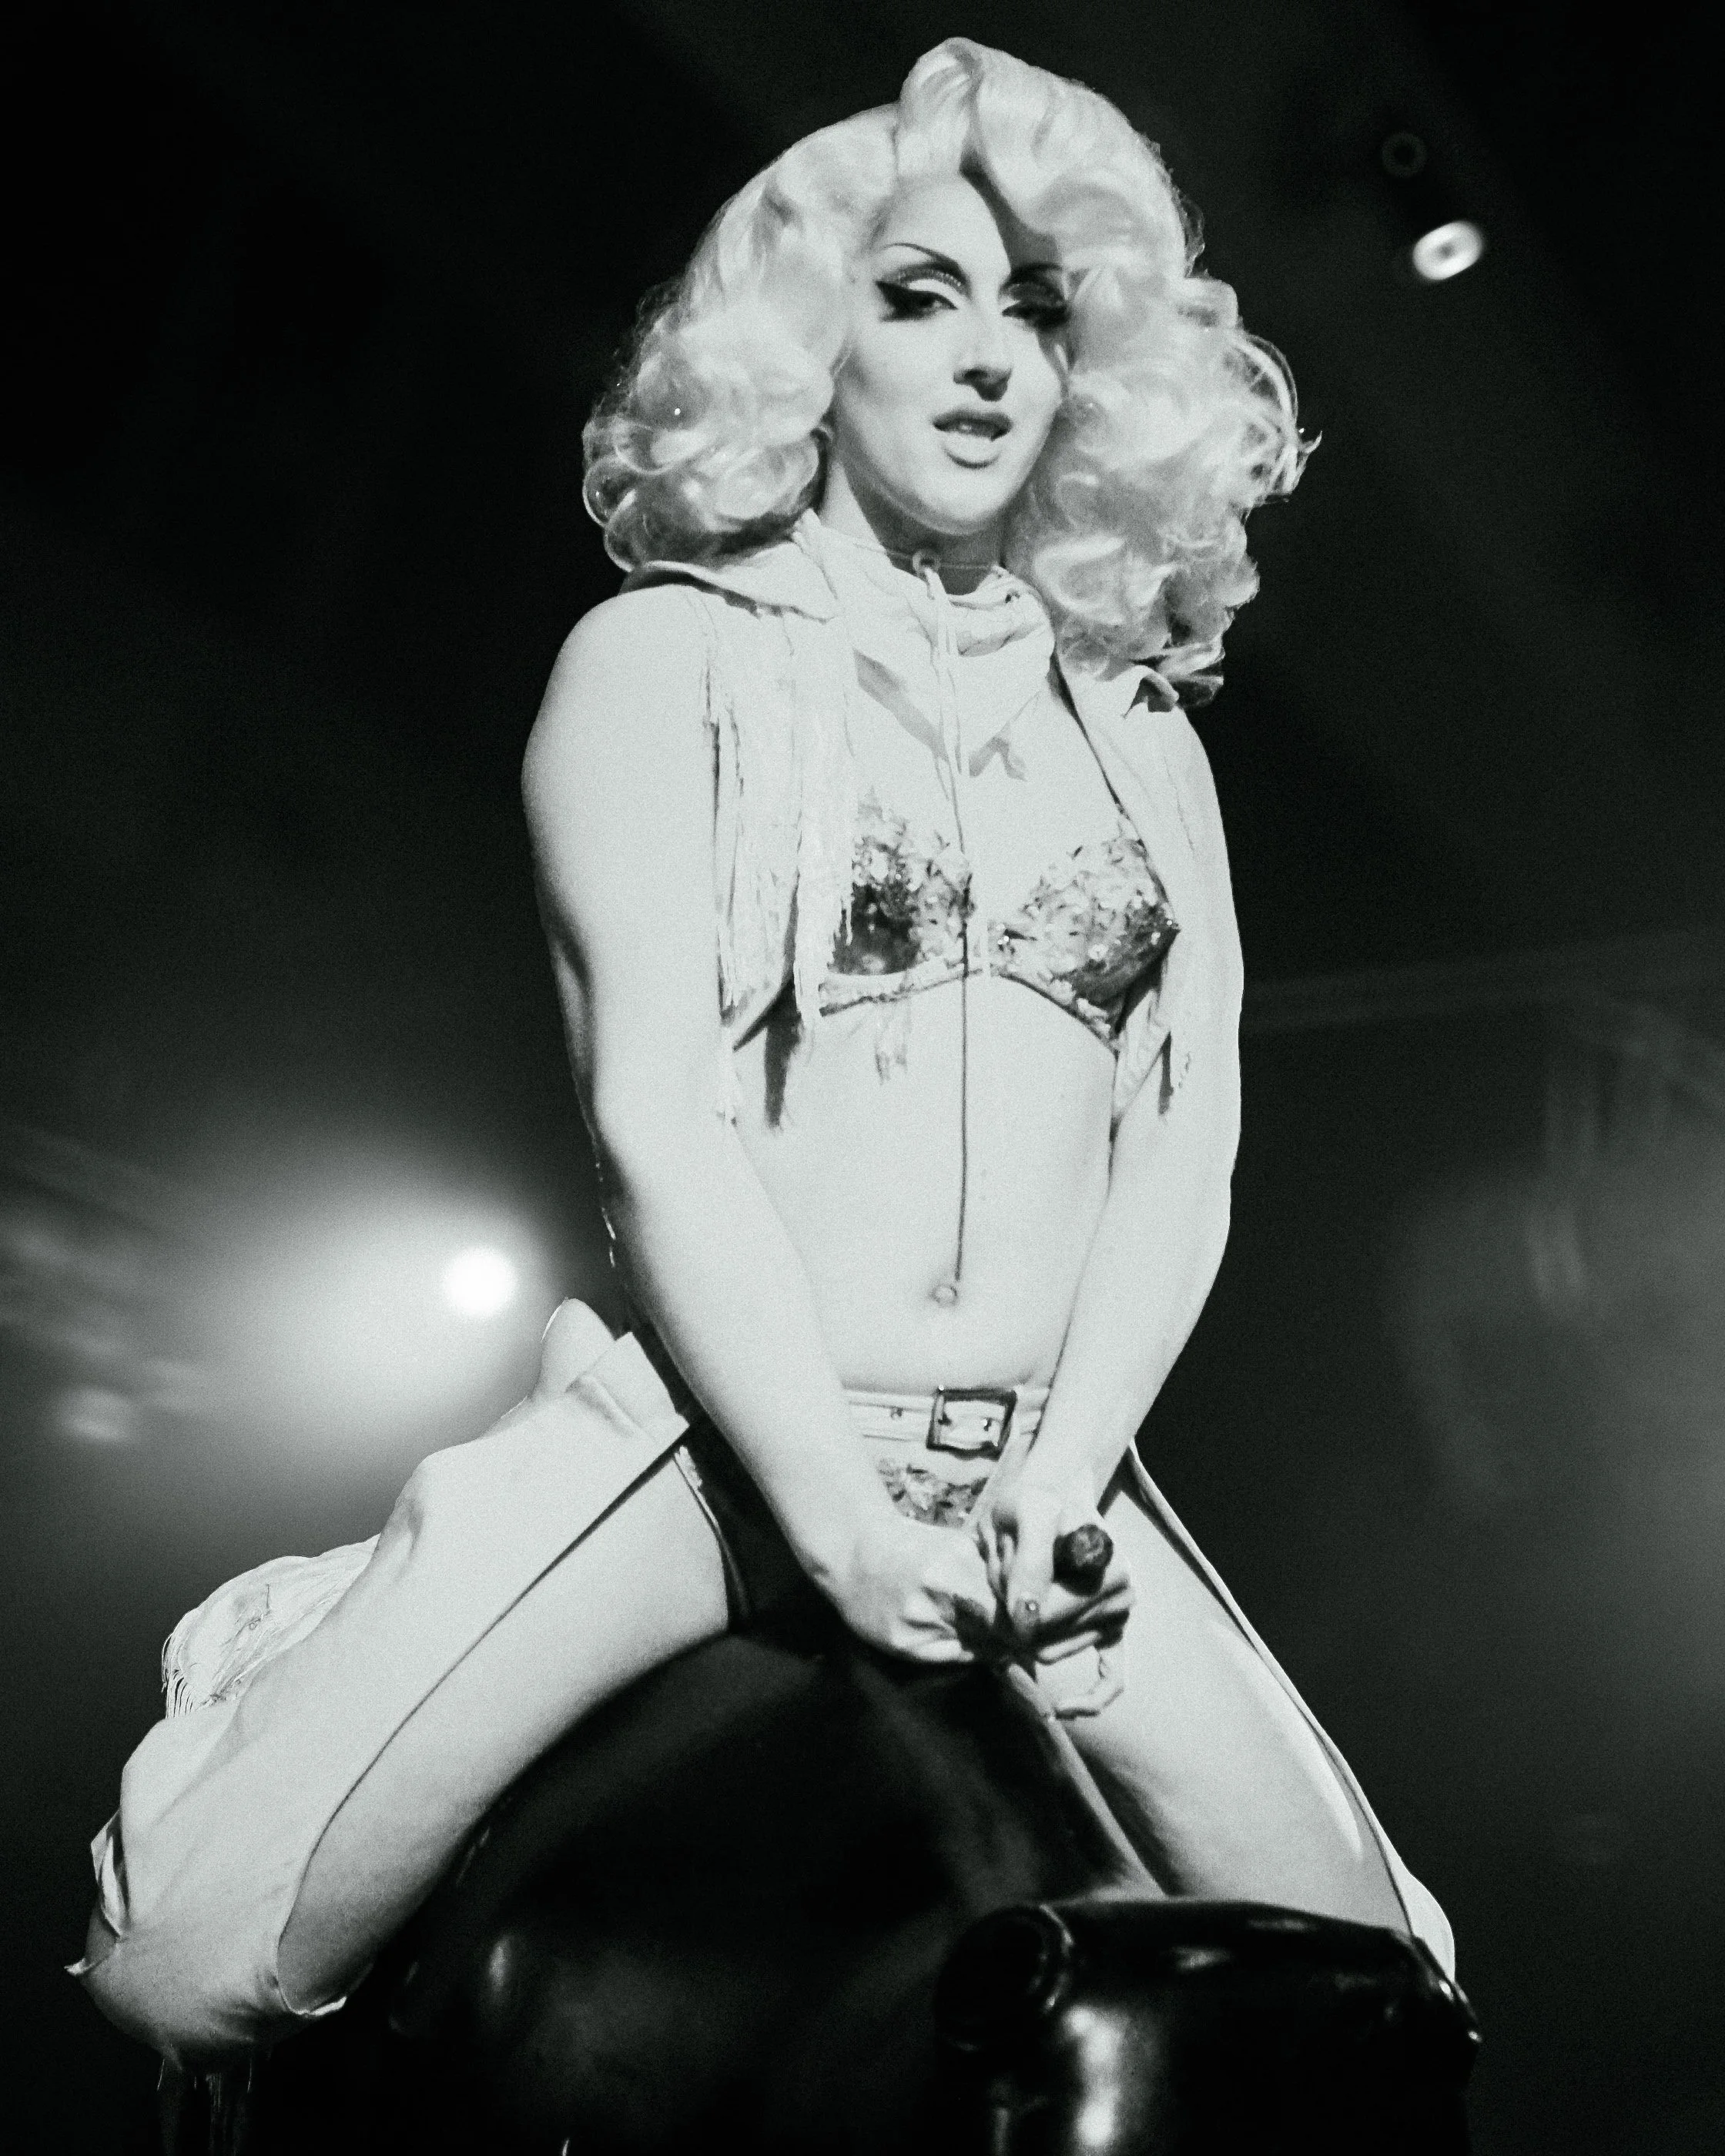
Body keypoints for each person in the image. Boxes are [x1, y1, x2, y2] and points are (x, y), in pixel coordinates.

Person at [75, 37, 1453, 2065]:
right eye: (920, 297)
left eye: (1036, 312)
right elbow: (658, 1117)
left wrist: (1065, 1481)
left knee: (1395, 1996)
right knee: (195, 1960)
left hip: (1037, 1483)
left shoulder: (1144, 741)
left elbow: (1188, 1144)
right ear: (812, 342)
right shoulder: (667, 662)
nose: (986, 360)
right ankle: (307, 1636)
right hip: (713, 1455)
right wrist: (835, 1516)